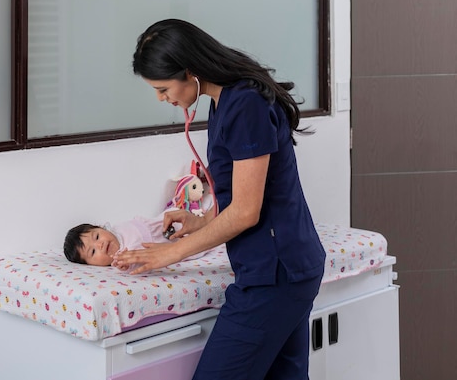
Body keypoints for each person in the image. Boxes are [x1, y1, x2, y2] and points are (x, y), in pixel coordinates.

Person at [113, 19, 326, 380]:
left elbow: (246, 211)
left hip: (276, 274)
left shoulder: (245, 104)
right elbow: (248, 193)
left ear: (190, 72)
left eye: (164, 88)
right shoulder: (227, 100)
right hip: (284, 268)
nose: (162, 98)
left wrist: (171, 253)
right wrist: (204, 219)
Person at [63, 208, 211, 272]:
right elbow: (135, 265)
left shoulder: (117, 228)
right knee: (202, 239)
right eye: (93, 251)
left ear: (102, 227)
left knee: (193, 219)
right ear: (92, 265)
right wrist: (125, 267)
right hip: (172, 245)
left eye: (96, 236)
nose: (100, 244)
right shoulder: (121, 258)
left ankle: (202, 215)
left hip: (166, 224)